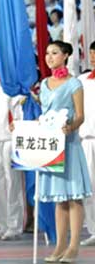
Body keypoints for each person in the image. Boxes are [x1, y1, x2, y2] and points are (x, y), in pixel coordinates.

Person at [37, 41, 91, 262]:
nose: (49, 57)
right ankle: (59, 245)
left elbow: (80, 115)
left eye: (55, 53)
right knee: (60, 199)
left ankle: (73, 246)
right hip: (52, 147)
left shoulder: (74, 84)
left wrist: (71, 126)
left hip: (69, 145)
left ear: (66, 55)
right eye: (47, 53)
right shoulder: (44, 83)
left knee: (73, 198)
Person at [0, 78, 25, 241]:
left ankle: (14, 225)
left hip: (10, 138)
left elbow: (19, 110)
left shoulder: (14, 84)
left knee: (12, 182)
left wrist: (18, 123)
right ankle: (2, 225)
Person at [79, 41, 95, 247]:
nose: (93, 57)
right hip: (86, 139)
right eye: (91, 53)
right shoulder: (81, 80)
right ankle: (93, 229)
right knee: (89, 185)